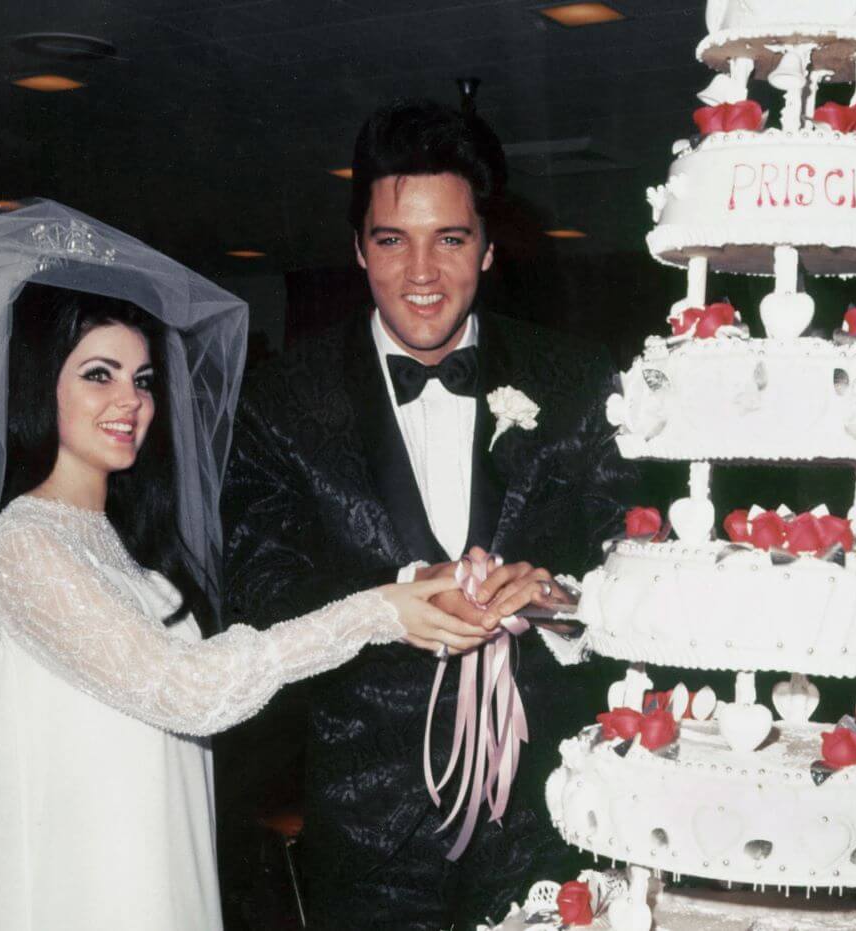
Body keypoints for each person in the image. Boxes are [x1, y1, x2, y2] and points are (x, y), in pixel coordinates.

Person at [0, 201, 493, 931]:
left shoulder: (121, 540)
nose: (130, 402)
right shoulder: (20, 546)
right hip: (76, 880)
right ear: (40, 386)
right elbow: (191, 691)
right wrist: (376, 611)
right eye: (98, 375)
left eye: (141, 380)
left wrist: (405, 590)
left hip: (148, 852)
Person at [222, 99, 639, 929]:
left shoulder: (581, 380)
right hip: (364, 825)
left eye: (449, 238)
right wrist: (395, 599)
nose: (421, 272)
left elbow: (639, 559)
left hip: (547, 821)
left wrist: (560, 601)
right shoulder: (281, 400)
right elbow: (257, 588)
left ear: (487, 247)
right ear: (357, 249)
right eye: (391, 240)